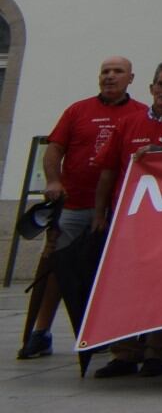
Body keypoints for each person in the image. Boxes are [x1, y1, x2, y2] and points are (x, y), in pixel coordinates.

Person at [22, 55, 143, 366]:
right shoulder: (78, 110)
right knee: (57, 269)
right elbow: (55, 148)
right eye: (105, 72)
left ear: (131, 78)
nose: (110, 77)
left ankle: (103, 332)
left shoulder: (140, 114)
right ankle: (40, 331)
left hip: (117, 208)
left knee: (108, 274)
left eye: (117, 72)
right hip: (74, 205)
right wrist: (53, 180)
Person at [89, 62, 162, 378]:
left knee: (160, 287)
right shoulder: (128, 124)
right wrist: (100, 213)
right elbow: (109, 170)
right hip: (128, 217)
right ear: (151, 88)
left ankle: (156, 353)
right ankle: (124, 352)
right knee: (124, 286)